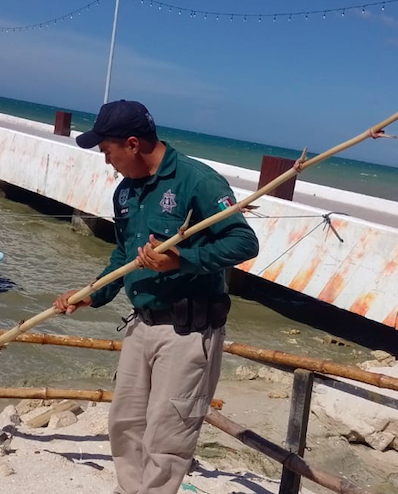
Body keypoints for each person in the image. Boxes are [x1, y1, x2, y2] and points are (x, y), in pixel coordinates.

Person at [54, 100, 259, 494]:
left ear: (132, 144)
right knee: (125, 423)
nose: (106, 160)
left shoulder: (197, 181)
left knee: (168, 438)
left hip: (187, 332)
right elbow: (123, 253)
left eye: (107, 151)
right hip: (142, 324)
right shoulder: (126, 193)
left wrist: (182, 259)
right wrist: (92, 294)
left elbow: (244, 242)